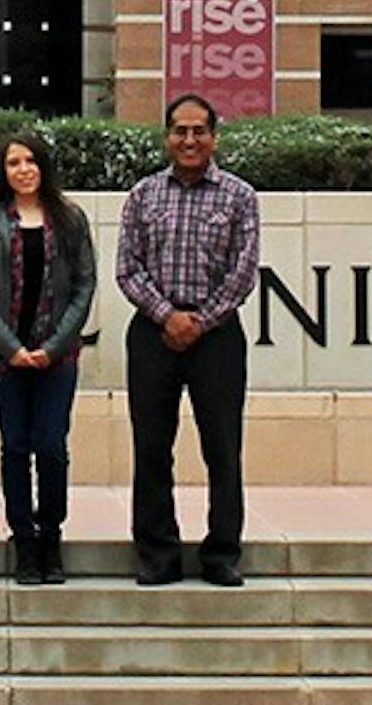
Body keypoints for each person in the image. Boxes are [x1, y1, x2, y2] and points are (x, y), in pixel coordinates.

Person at [116, 93, 260, 587]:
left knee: (222, 448)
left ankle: (222, 554)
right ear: (167, 137)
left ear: (214, 137)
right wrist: (167, 315)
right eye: (180, 130)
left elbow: (243, 273)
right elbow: (128, 269)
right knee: (152, 448)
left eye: (199, 131)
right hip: (152, 334)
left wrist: (199, 321)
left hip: (217, 336)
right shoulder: (143, 195)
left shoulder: (240, 197)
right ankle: (158, 554)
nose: (189, 140)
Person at [0, 133, 96, 585]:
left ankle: (50, 537)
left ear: (43, 166)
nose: (23, 169)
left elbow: (84, 286)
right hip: (6, 361)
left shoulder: (70, 219)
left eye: (30, 161)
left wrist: (53, 347)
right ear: (3, 171)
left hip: (57, 359)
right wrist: (13, 349)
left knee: (52, 448)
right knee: (16, 447)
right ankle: (24, 541)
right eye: (13, 162)